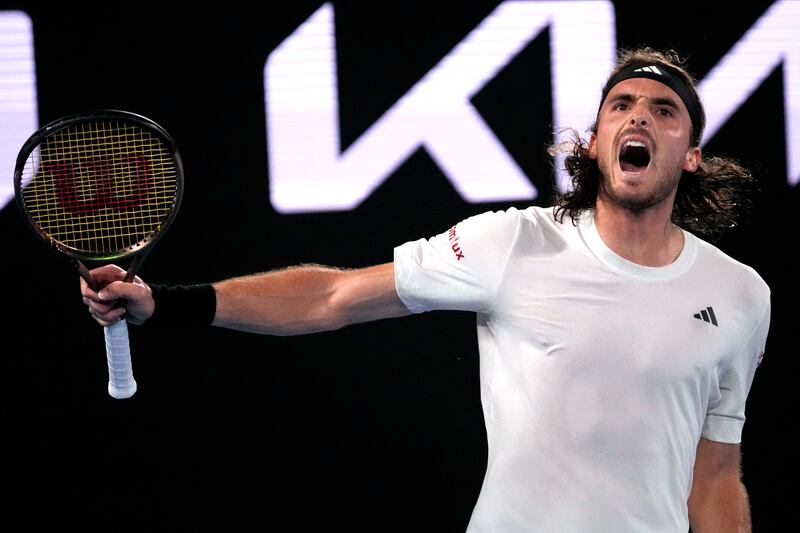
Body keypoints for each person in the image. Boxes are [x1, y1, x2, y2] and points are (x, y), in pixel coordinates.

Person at [82, 47, 770, 532]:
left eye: (663, 110)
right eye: (620, 105)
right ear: (595, 142)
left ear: (692, 154)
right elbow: (333, 296)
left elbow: (713, 478)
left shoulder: (740, 296)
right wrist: (164, 301)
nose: (639, 118)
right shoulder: (514, 243)